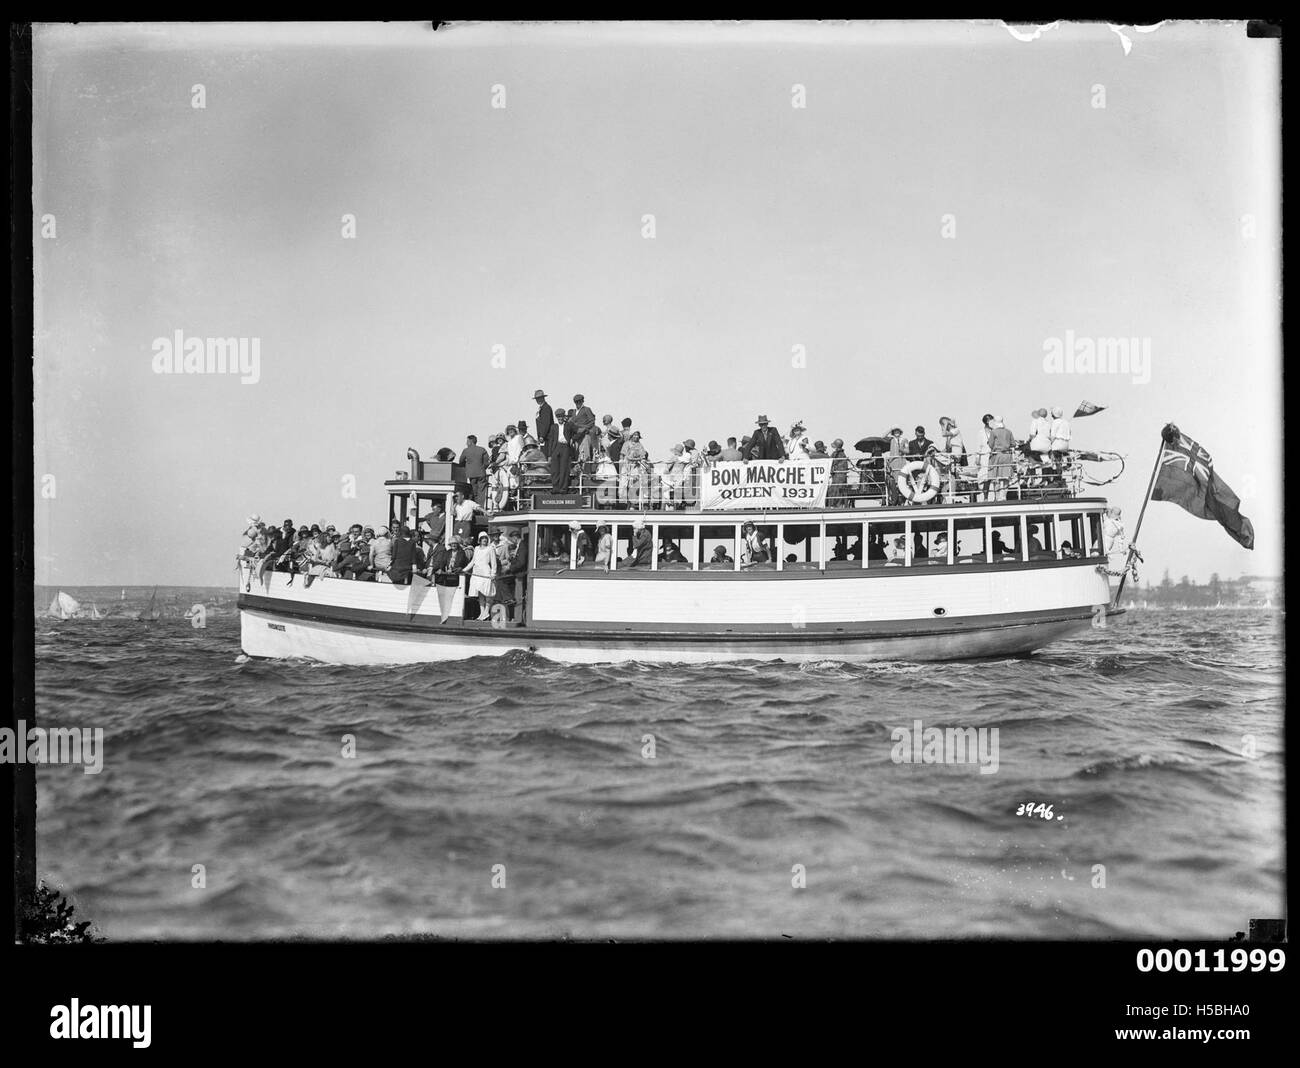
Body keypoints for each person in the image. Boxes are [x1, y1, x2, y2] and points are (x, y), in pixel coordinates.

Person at [461, 531, 498, 619]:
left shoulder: (490, 548)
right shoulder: (476, 548)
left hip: (486, 573)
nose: (484, 540)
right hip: (476, 573)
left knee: (487, 593)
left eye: (485, 538)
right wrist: (464, 570)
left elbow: (494, 563)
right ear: (479, 540)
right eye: (482, 538)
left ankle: (486, 611)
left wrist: (493, 574)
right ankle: (482, 613)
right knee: (480, 594)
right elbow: (473, 561)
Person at [987, 417, 1016, 501]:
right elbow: (1013, 443)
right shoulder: (1008, 431)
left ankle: (997, 496)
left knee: (996, 476)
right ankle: (1004, 496)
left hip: (997, 455)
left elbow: (990, 445)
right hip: (1007, 455)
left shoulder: (993, 432)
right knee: (1006, 476)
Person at [459, 435, 490, 507]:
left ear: (470, 441)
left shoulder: (466, 450)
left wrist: (468, 467)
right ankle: (481, 509)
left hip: (471, 474)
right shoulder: (482, 449)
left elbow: (461, 461)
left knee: (474, 492)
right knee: (481, 492)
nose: (466, 443)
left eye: (467, 441)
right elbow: (486, 462)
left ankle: (476, 508)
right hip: (481, 473)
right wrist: (482, 468)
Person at [621, 430, 650, 508]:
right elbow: (622, 455)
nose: (636, 436)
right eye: (634, 435)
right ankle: (626, 504)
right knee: (624, 485)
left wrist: (640, 460)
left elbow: (643, 457)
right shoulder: (626, 444)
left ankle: (632, 504)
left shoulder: (640, 445)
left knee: (634, 485)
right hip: (626, 466)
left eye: (637, 435)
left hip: (635, 467)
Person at [550, 407, 573, 493]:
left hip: (565, 447)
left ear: (564, 417)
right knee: (555, 469)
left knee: (564, 468)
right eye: (558, 417)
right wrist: (549, 454)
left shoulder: (568, 425)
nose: (560, 418)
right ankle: (555, 488)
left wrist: (572, 439)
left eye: (561, 416)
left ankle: (563, 488)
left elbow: (577, 431)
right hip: (556, 447)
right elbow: (551, 440)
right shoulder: (553, 427)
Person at [569, 394, 596, 466]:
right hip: (576, 436)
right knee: (577, 454)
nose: (578, 403)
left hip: (584, 435)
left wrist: (584, 428)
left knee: (585, 454)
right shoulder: (574, 412)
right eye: (576, 402)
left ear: (582, 401)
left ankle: (586, 473)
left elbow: (592, 421)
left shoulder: (587, 409)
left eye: (579, 402)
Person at [533, 389, 555, 457]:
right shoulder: (542, 408)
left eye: (539, 398)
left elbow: (546, 423)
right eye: (537, 399)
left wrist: (542, 435)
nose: (538, 400)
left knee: (546, 455)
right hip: (544, 437)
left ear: (543, 398)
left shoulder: (546, 408)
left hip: (547, 437)